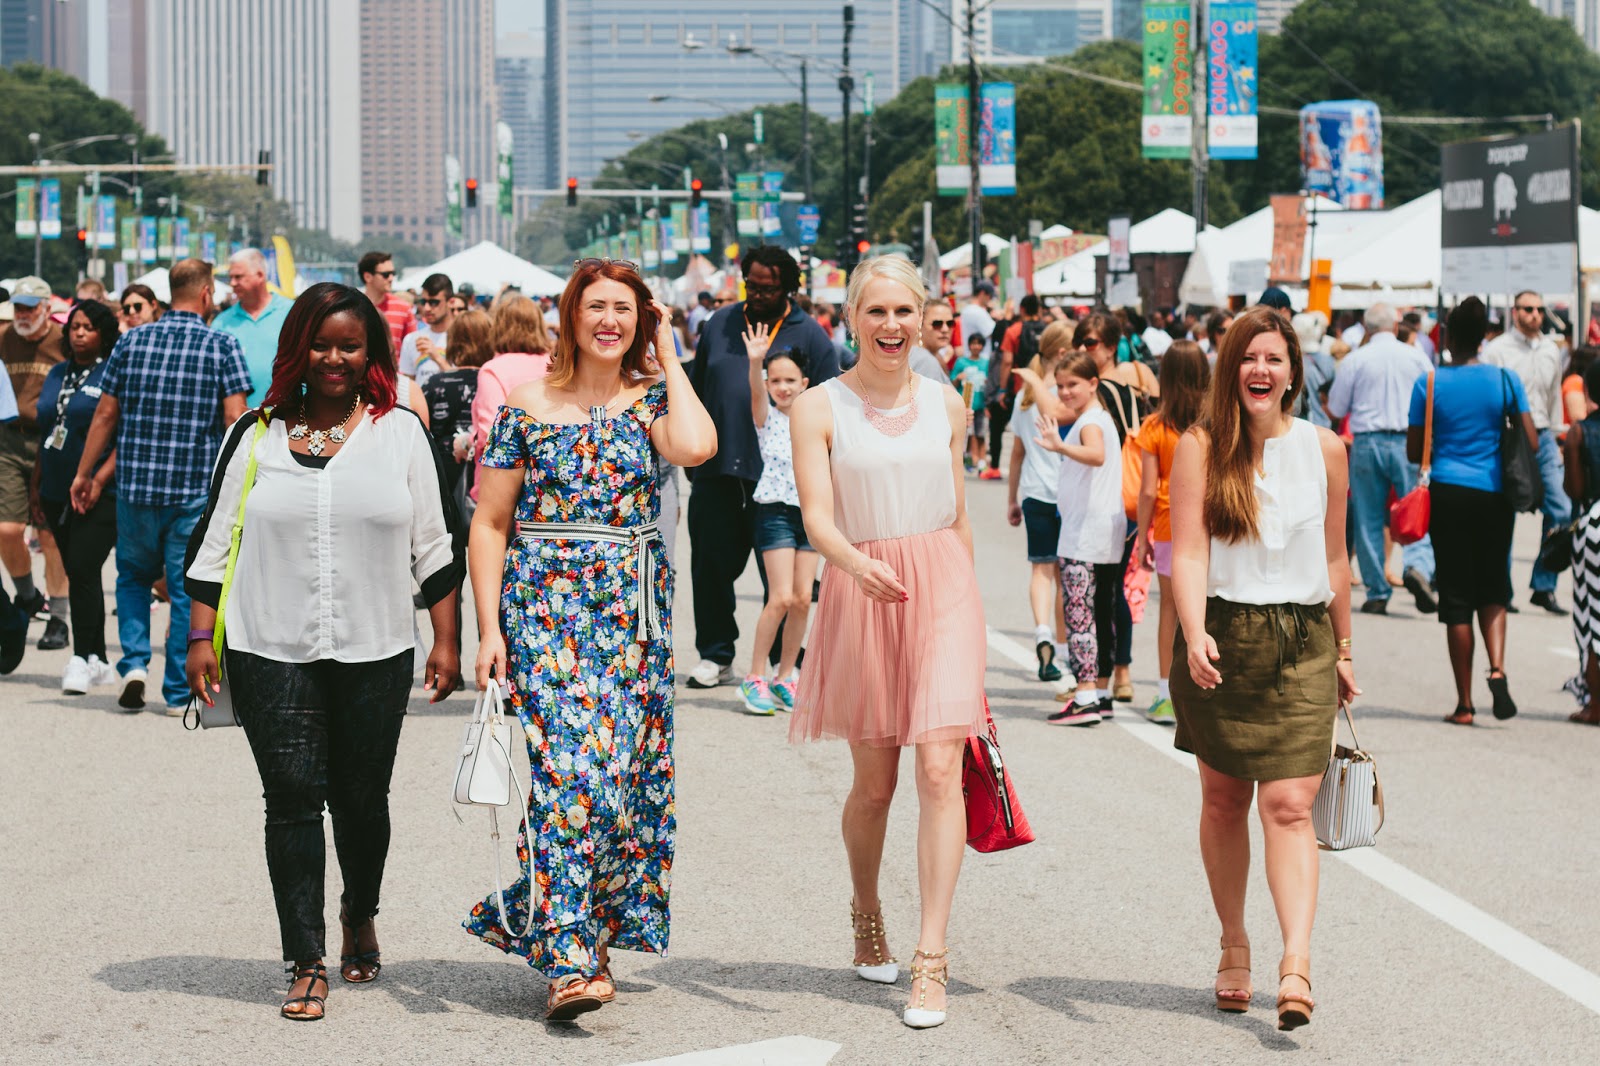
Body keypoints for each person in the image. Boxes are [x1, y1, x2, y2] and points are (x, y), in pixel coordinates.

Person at [185, 282, 462, 1022]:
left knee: (363, 800)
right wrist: (199, 638)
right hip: (269, 645)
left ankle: (359, 910)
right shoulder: (255, 435)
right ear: (296, 349)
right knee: (291, 800)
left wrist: (447, 638)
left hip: (376, 646)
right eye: (320, 344)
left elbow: (435, 544)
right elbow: (213, 544)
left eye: (349, 345)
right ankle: (305, 959)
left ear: (371, 354)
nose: (334, 358)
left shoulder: (400, 432)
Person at [464, 259, 713, 1021]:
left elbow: (697, 447)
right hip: (545, 612)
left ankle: (560, 924)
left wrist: (669, 355)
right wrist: (487, 630)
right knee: (573, 778)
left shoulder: (653, 400)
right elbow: (489, 522)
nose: (610, 320)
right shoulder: (528, 404)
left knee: (620, 787)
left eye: (626, 309)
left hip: (633, 616)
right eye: (596, 306)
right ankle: (570, 959)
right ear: (571, 315)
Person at [788, 255, 983, 1031]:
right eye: (877, 312)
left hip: (943, 591)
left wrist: (969, 609)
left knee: (940, 771)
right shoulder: (819, 406)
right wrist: (853, 563)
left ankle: (931, 957)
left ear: (924, 317)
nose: (892, 326)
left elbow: (958, 513)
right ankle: (867, 911)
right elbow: (816, 516)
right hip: (862, 587)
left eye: (905, 312)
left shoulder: (948, 403)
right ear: (851, 319)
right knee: (876, 787)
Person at [1168, 305, 1356, 1031]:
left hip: (1302, 642)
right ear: (1230, 370)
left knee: (1289, 806)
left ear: (1292, 372)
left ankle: (1296, 963)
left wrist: (1344, 650)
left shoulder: (1325, 449)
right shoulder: (1201, 447)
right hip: (1222, 637)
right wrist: (1192, 633)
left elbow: (1336, 558)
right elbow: (1189, 552)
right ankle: (1234, 943)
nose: (1260, 369)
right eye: (1249, 357)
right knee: (1223, 802)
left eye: (1274, 358)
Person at [71, 258, 252, 714]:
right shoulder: (221, 345)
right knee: (186, 587)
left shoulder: (131, 342)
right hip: (192, 491)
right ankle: (175, 691)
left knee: (132, 577)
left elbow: (106, 414)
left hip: (135, 486)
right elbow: (235, 417)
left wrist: (85, 473)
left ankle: (134, 664)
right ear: (207, 294)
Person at [684, 245, 839, 689]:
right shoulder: (720, 323)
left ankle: (783, 661)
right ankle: (716, 654)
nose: (758, 294)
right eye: (751, 285)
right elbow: (697, 389)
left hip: (782, 482)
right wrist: (694, 459)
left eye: (768, 288)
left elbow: (831, 407)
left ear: (787, 288)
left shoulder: (810, 335)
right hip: (719, 470)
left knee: (785, 583)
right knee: (710, 569)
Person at [1409, 299, 1536, 724]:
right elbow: (1531, 439)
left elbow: (1414, 449)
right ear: (1483, 337)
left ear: (1447, 336)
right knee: (1494, 586)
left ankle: (1464, 704)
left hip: (1447, 493)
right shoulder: (1505, 379)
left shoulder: (1429, 383)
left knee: (1457, 596)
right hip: (1495, 494)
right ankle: (1497, 669)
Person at [1029, 349, 1124, 726]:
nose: (1065, 392)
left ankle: (1085, 696)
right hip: (1103, 532)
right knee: (1101, 612)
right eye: (1060, 386)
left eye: (1073, 385)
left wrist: (1060, 445)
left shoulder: (1090, 422)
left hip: (1085, 534)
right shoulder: (1099, 418)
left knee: (1080, 613)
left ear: (1093, 384)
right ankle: (1100, 693)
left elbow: (1096, 454)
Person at [1326, 302, 1437, 615]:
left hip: (1366, 441)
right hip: (1407, 440)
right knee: (1415, 507)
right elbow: (1432, 398)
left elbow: (1336, 406)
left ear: (1366, 327)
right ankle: (1417, 566)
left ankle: (1376, 590)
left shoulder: (1355, 359)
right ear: (1395, 326)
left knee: (1368, 518)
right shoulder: (1416, 357)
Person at [37, 300, 121, 695]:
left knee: (84, 569)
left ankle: (81, 657)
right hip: (53, 489)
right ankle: (98, 658)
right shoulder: (57, 372)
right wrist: (36, 488)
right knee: (78, 572)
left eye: (88, 327)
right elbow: (47, 430)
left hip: (97, 490)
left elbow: (121, 435)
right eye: (74, 327)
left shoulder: (111, 373)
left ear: (103, 333)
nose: (79, 333)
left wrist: (99, 479)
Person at [736, 341, 817, 715]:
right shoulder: (767, 419)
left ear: (804, 384)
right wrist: (756, 363)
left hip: (811, 516)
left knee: (802, 599)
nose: (783, 387)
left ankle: (786, 677)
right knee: (781, 597)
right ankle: (755, 677)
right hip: (775, 514)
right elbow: (755, 391)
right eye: (776, 381)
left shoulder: (817, 422)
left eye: (790, 381)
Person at [1135, 340, 1210, 724]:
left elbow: (1148, 489)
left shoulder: (1155, 426)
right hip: (1209, 524)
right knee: (1205, 608)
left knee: (1170, 607)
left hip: (1168, 524)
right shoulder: (1213, 424)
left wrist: (1141, 536)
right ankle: (1204, 689)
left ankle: (1166, 694)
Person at [1483, 289, 1571, 614]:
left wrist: (1558, 437)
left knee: (1562, 509)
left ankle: (1543, 584)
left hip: (1544, 434)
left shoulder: (1550, 349)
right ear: (1515, 312)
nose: (1535, 315)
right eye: (1528, 309)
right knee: (1504, 511)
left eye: (1539, 309)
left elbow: (1553, 396)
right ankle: (1501, 590)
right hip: (1509, 436)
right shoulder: (1497, 350)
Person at [0, 276, 69, 649]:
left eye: (29, 307)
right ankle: (28, 596)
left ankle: (58, 618)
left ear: (46, 308)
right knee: (6, 529)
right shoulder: (4, 337)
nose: (22, 314)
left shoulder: (63, 340)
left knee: (50, 535)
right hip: (9, 440)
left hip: (51, 441)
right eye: (18, 307)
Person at [1006, 321, 1074, 683]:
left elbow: (1016, 453)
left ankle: (1043, 633)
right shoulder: (1067, 396)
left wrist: (1012, 499)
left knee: (1040, 571)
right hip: (1067, 495)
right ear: (1062, 353)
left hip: (1034, 492)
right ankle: (1062, 651)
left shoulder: (1026, 398)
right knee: (1065, 576)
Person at [471, 294, 554, 465]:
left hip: (502, 473)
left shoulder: (493, 370)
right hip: (549, 468)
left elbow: (491, 434)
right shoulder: (555, 366)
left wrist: (469, 441)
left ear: (498, 326)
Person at [424, 309, 493, 514]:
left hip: (442, 477)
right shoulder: (494, 382)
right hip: (486, 477)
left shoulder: (435, 384)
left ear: (452, 342)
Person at [1563, 360, 1600, 725]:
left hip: (1594, 526)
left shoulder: (1579, 432)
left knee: (1593, 618)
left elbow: (1573, 489)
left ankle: (1596, 704)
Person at [215, 248, 294, 407]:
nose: (232, 283)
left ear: (260, 275)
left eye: (238, 277)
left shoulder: (292, 312)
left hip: (286, 415)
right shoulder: (221, 322)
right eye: (230, 277)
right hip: (238, 418)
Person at [398, 273, 455, 387]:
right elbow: (408, 386)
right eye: (424, 302)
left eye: (434, 302)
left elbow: (467, 382)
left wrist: (437, 358)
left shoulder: (464, 337)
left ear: (450, 302)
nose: (427, 308)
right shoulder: (411, 339)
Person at [359, 250, 414, 357]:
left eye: (393, 273)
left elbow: (412, 349)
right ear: (368, 277)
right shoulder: (353, 309)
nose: (391, 278)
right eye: (386, 275)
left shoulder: (404, 309)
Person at [951, 330, 988, 472]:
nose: (976, 346)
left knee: (981, 434)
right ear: (969, 345)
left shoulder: (986, 363)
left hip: (981, 405)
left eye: (979, 344)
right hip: (964, 405)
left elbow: (991, 384)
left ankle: (982, 461)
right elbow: (951, 382)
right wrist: (958, 378)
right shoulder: (961, 362)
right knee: (966, 434)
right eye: (973, 343)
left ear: (982, 346)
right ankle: (968, 459)